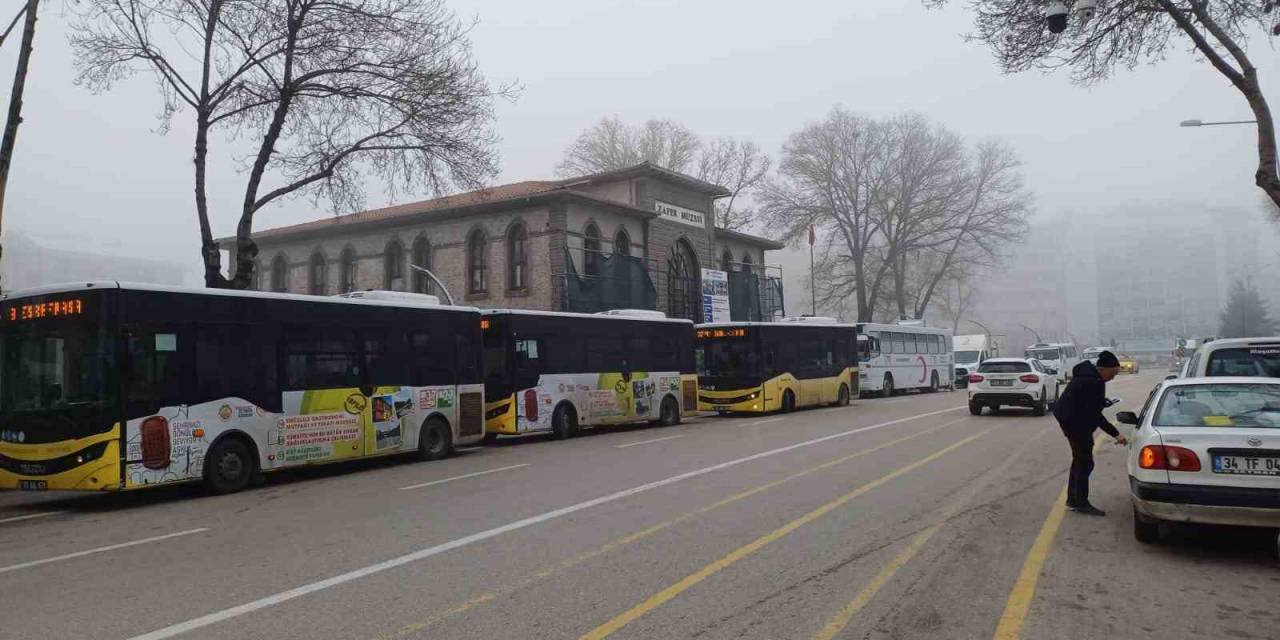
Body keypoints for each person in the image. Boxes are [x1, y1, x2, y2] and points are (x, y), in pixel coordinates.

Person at [1052, 350, 1128, 516]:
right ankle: (1081, 503)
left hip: (1071, 421)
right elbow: (1095, 415)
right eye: (1113, 373)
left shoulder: (1088, 377)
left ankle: (1073, 498)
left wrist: (1101, 403)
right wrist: (1116, 434)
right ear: (1104, 369)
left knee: (1079, 460)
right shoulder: (1093, 382)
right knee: (1085, 463)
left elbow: (1089, 404)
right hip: (1076, 424)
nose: (1113, 377)